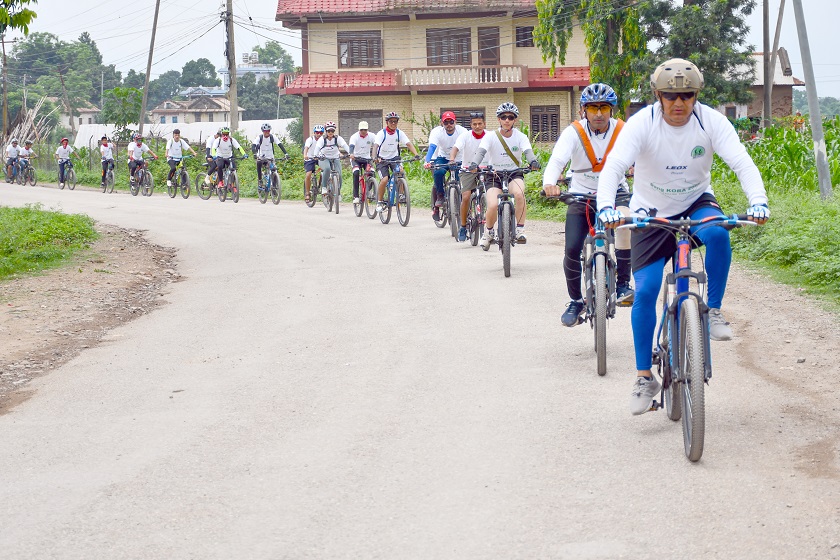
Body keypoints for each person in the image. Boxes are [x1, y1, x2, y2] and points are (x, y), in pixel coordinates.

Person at [595, 58, 769, 415]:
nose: (679, 103)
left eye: (687, 95)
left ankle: (714, 310)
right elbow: (613, 167)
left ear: (696, 95)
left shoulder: (711, 121)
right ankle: (645, 377)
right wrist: (606, 207)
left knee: (719, 234)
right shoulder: (643, 123)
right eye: (671, 96)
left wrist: (759, 201)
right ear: (657, 95)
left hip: (696, 202)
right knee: (645, 291)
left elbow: (741, 162)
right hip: (649, 211)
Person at [542, 83, 634, 327]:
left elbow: (641, 156)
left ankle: (623, 285)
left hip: (616, 193)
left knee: (625, 224)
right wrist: (550, 182)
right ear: (584, 110)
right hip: (581, 195)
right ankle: (575, 300)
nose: (599, 113)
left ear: (611, 110)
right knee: (572, 248)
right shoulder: (574, 132)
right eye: (593, 108)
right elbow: (557, 159)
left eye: (604, 107)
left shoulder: (623, 130)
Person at [468, 102, 540, 247]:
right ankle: (488, 233)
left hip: (514, 173)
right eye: (504, 117)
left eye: (510, 117)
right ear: (499, 119)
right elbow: (481, 151)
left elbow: (528, 152)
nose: (507, 120)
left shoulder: (521, 136)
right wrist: (474, 163)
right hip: (494, 175)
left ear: (514, 120)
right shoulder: (490, 137)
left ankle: (520, 230)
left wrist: (533, 161)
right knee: (493, 205)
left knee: (519, 195)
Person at [450, 111, 488, 242]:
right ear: (470, 125)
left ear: (484, 124)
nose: (477, 126)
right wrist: (452, 158)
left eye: (480, 124)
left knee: (491, 196)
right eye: (474, 124)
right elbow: (456, 147)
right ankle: (463, 226)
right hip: (467, 170)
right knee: (466, 197)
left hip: (486, 169)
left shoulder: (490, 136)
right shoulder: (465, 136)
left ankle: (490, 226)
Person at [373, 111, 420, 214]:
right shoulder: (382, 133)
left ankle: (401, 195)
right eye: (391, 121)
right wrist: (375, 157)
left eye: (395, 121)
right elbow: (375, 146)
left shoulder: (399, 133)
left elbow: (408, 144)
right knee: (385, 179)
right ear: (387, 122)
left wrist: (416, 154)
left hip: (394, 158)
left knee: (401, 172)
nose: (393, 123)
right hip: (382, 159)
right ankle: (380, 202)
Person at [424, 111, 467, 221]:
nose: (449, 124)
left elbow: (469, 146)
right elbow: (432, 147)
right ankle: (439, 197)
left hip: (459, 159)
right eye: (446, 122)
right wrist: (427, 161)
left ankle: (463, 206)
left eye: (451, 122)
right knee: (438, 173)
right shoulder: (437, 132)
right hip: (442, 157)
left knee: (462, 180)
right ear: (441, 123)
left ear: (455, 122)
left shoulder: (462, 131)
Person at [311, 121, 350, 193]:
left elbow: (345, 145)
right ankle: (324, 187)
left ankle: (338, 192)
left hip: (335, 157)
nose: (330, 132)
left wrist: (350, 153)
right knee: (327, 168)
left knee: (340, 174)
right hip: (324, 158)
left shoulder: (338, 138)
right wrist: (316, 155)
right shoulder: (322, 139)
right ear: (326, 131)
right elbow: (317, 148)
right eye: (328, 131)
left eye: (332, 131)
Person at [252, 123, 289, 188]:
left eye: (268, 131)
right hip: (262, 157)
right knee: (258, 163)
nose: (267, 132)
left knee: (274, 170)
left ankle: (274, 187)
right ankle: (260, 180)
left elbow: (280, 145)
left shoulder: (272, 137)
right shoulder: (259, 137)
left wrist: (286, 154)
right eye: (265, 131)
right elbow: (253, 146)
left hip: (271, 157)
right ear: (263, 131)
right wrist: (255, 154)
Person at [348, 121, 375, 204]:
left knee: (372, 172)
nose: (363, 131)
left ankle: (369, 191)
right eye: (362, 130)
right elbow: (351, 146)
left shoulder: (372, 136)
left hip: (367, 158)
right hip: (356, 159)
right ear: (359, 129)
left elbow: (378, 144)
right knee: (356, 173)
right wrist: (351, 153)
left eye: (365, 130)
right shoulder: (354, 137)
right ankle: (356, 196)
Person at [303, 124, 325, 202]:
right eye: (317, 132)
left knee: (326, 170)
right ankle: (307, 193)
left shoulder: (324, 140)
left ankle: (321, 186)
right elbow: (306, 148)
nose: (319, 134)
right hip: (310, 158)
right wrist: (305, 155)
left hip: (320, 158)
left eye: (321, 133)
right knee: (308, 174)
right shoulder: (310, 139)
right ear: (314, 132)